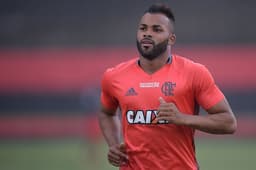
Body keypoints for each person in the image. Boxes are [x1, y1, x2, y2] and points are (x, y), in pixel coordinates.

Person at [98, 3, 237, 170]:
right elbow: (106, 113)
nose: (147, 33)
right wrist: (113, 144)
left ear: (171, 38)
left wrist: (183, 118)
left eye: (156, 29)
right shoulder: (114, 76)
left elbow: (229, 123)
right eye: (143, 28)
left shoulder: (194, 73)